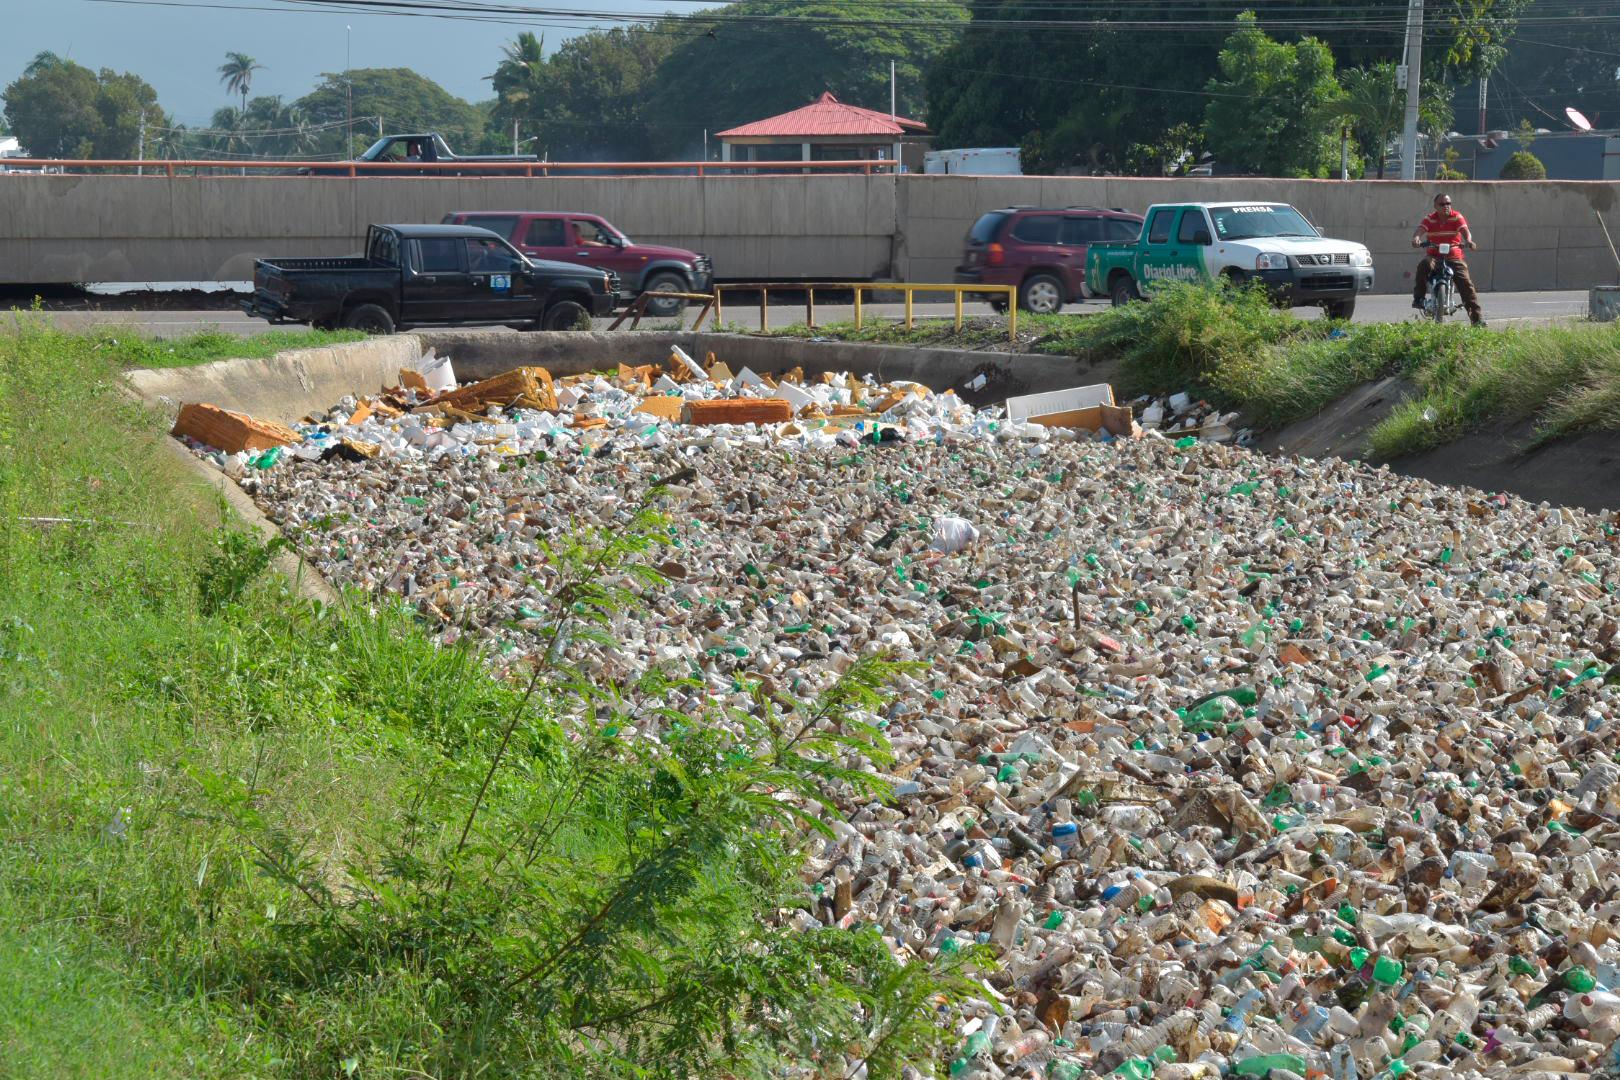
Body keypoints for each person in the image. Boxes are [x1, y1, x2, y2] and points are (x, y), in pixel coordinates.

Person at [1412, 193, 1483, 326]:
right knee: (1423, 265)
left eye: (1448, 203)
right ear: (1435, 206)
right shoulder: (1429, 218)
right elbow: (1420, 230)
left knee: (1466, 283)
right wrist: (1416, 238)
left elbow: (1465, 230)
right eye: (1442, 204)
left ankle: (1477, 319)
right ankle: (1419, 299)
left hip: (1454, 256)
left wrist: (1468, 240)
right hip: (1434, 255)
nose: (1446, 206)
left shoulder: (1457, 216)